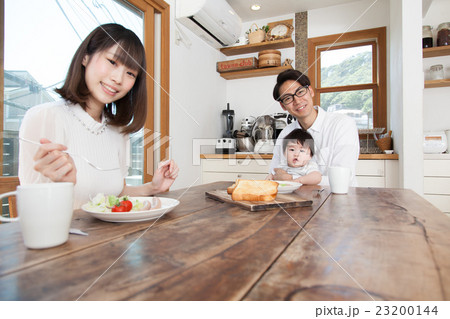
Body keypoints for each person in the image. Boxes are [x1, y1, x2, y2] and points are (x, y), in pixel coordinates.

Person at [19, 23, 179, 208]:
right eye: (112, 62)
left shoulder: (119, 132)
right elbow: (30, 207)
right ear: (86, 57)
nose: (118, 79)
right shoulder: (44, 117)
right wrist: (63, 186)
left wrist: (154, 187)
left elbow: (116, 194)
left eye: (130, 73)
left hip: (112, 236)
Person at [269, 69, 359, 185]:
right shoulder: (286, 133)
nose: (297, 101)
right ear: (283, 106)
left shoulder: (343, 125)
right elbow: (275, 172)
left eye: (300, 92)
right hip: (297, 200)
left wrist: (291, 178)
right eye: (288, 98)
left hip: (338, 199)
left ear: (310, 91)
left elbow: (342, 178)